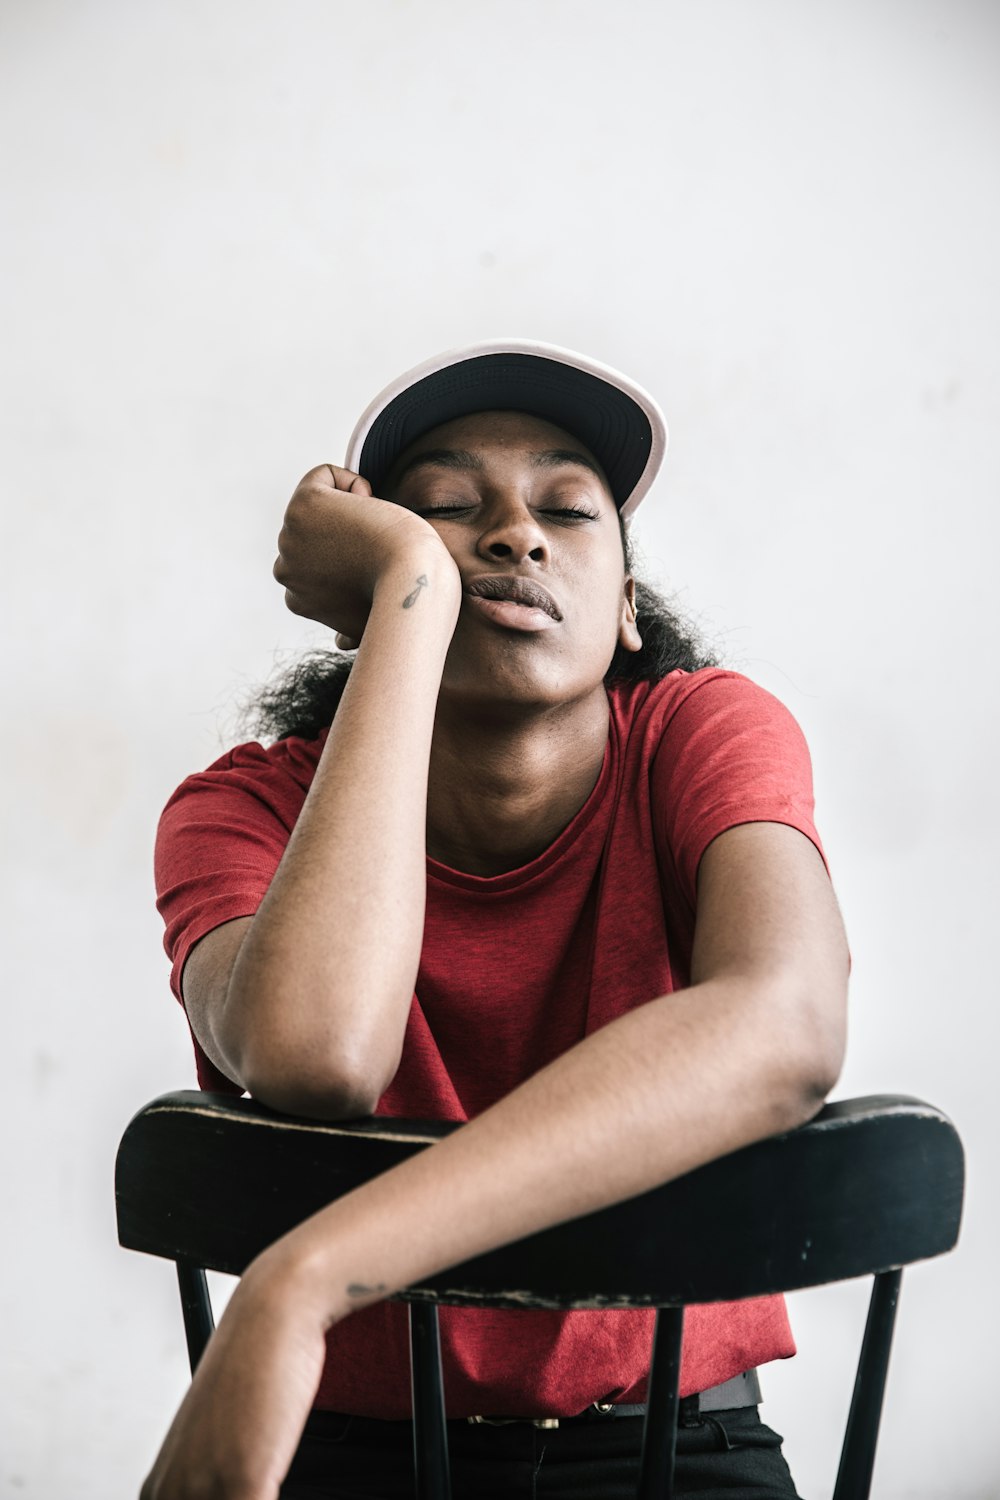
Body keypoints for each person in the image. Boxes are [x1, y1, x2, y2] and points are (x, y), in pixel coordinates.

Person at [148, 340, 849, 1499]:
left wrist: (307, 1278)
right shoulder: (242, 808)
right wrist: (409, 606)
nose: (516, 534)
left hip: (677, 1444)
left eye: (568, 509)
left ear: (626, 609)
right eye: (438, 514)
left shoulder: (703, 733)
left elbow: (787, 1024)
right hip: (349, 1448)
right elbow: (319, 1057)